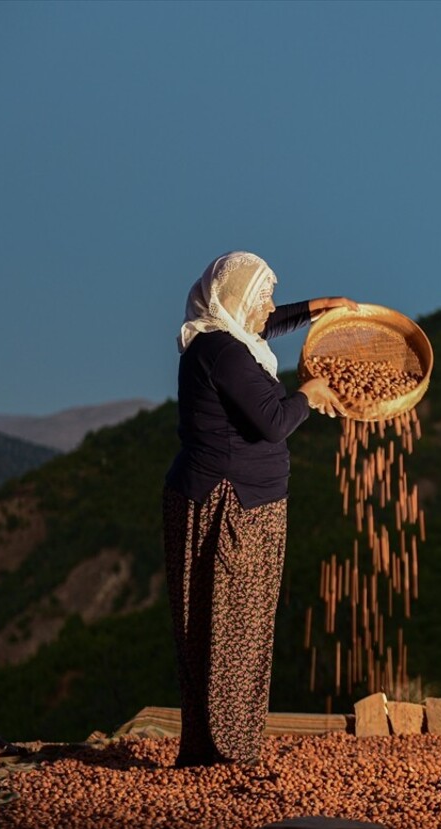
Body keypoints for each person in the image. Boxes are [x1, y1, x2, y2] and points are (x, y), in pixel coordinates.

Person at [162, 250, 353, 768]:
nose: (269, 307)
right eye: (262, 296)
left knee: (234, 630)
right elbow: (272, 422)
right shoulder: (223, 352)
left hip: (243, 501)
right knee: (229, 632)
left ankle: (220, 748)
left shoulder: (225, 340)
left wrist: (320, 306)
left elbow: (266, 325)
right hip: (229, 507)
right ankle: (225, 754)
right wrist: (308, 395)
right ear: (237, 302)